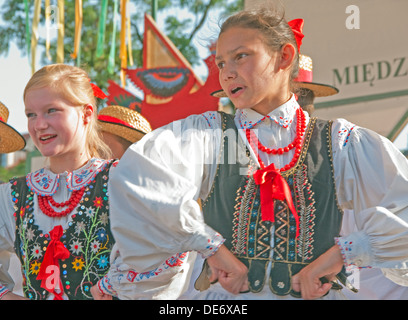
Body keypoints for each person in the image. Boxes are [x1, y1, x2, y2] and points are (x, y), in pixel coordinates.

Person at [94, 7, 408, 300]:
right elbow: (138, 180)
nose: (227, 72)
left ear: (285, 56)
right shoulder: (207, 135)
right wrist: (210, 245)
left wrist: (345, 252)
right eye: (220, 63)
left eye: (240, 57)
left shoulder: (340, 142)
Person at [0, 64, 118, 300]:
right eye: (31, 114)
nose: (39, 125)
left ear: (86, 114)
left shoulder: (118, 180)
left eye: (52, 110)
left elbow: (162, 254)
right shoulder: (13, 194)